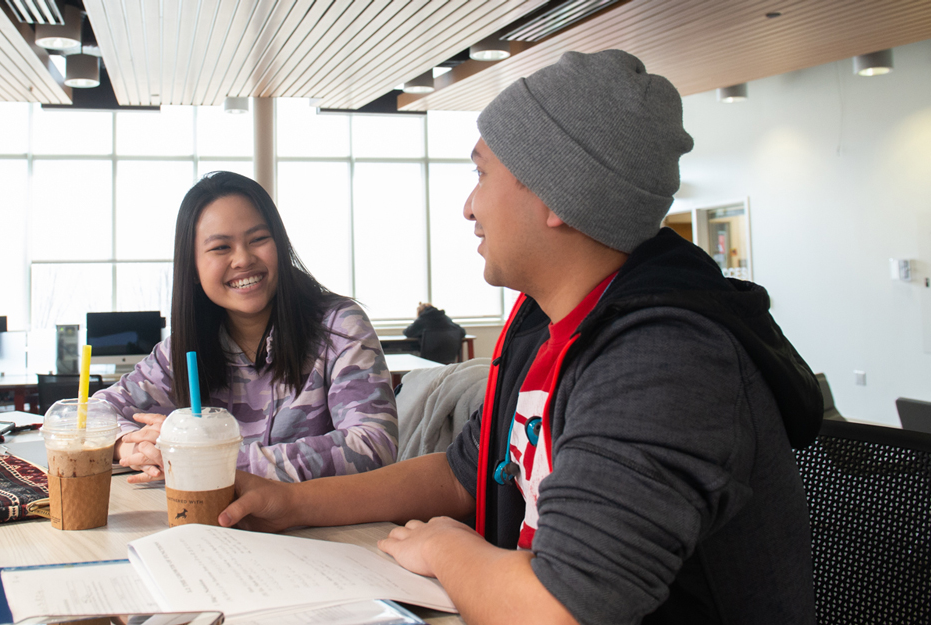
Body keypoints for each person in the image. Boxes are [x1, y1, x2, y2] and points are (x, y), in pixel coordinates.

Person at [219, 50, 821, 624]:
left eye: (481, 174)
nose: (467, 206)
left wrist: (447, 551)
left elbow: (562, 609)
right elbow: (462, 471)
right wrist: (289, 502)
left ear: (557, 195)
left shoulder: (667, 361)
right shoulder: (548, 326)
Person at [96, 171, 398, 484]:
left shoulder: (339, 327)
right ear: (194, 269)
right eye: (220, 247)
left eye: (258, 239)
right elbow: (92, 414)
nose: (243, 259)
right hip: (209, 524)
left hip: (318, 528)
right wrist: (130, 445)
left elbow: (374, 446)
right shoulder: (184, 349)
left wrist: (207, 457)